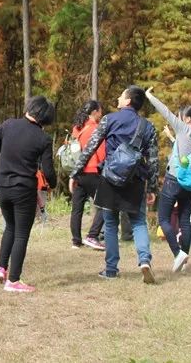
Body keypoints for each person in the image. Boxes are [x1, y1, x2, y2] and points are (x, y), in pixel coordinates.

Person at [71, 85, 159, 283]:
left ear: (128, 101)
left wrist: (76, 173)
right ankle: (144, 260)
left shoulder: (108, 119)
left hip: (110, 178)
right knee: (138, 222)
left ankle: (111, 269)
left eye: (121, 95)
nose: (118, 98)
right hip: (135, 179)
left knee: (110, 223)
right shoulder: (148, 126)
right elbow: (153, 160)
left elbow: (90, 148)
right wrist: (152, 187)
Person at [0, 95, 57, 293]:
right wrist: (53, 184)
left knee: (10, 227)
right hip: (23, 189)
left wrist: (9, 146)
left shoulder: (8, 125)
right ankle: (13, 280)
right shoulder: (43, 138)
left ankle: (1, 268)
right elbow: (48, 171)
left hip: (2, 187)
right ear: (46, 118)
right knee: (22, 234)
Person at [145, 88, 191, 273]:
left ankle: (178, 254)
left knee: (163, 218)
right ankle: (184, 259)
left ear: (187, 119)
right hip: (190, 182)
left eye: (180, 115)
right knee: (184, 219)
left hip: (174, 178)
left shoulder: (184, 128)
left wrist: (149, 95)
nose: (177, 117)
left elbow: (164, 111)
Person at [67, 100, 106, 250]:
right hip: (91, 171)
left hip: (78, 172)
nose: (101, 114)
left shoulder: (77, 128)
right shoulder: (96, 129)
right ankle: (92, 235)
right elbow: (101, 153)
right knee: (105, 203)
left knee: (77, 208)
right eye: (100, 111)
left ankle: (76, 241)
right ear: (94, 112)